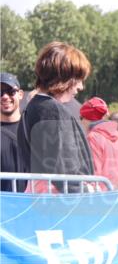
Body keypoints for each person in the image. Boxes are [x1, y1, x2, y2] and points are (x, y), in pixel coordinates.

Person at [17, 42, 95, 193]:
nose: (81, 87)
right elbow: (65, 170)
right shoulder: (53, 111)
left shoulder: (32, 107)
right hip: (58, 200)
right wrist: (88, 191)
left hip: (40, 195)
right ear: (64, 76)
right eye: (78, 79)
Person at [80, 97, 118, 187]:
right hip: (113, 188)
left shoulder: (93, 137)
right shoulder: (114, 135)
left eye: (81, 117)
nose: (81, 122)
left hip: (99, 191)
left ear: (87, 118)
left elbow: (94, 170)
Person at [0, 72, 24, 192]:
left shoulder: (32, 129)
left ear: (20, 94)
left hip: (31, 201)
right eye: (0, 92)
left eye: (11, 91)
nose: (5, 96)